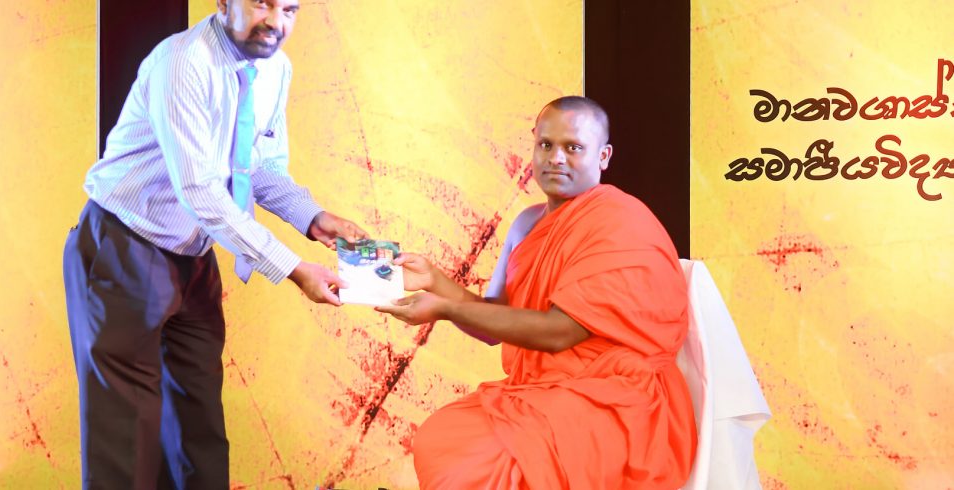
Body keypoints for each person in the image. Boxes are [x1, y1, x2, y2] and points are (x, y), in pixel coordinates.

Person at [62, 1, 367, 488]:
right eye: (263, 3)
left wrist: (313, 218)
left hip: (194, 257)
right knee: (125, 444)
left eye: (290, 9)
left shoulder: (276, 69)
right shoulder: (183, 63)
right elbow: (200, 190)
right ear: (224, 2)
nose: (277, 23)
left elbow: (259, 167)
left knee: (199, 436)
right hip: (124, 248)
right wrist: (293, 268)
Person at [377, 96, 697, 489]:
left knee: (487, 464)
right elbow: (494, 321)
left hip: (612, 394)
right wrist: (433, 280)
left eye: (573, 147)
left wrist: (444, 309)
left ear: (603, 156)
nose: (555, 158)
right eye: (546, 145)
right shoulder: (525, 222)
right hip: (542, 389)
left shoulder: (621, 221)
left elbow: (560, 332)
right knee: (439, 439)